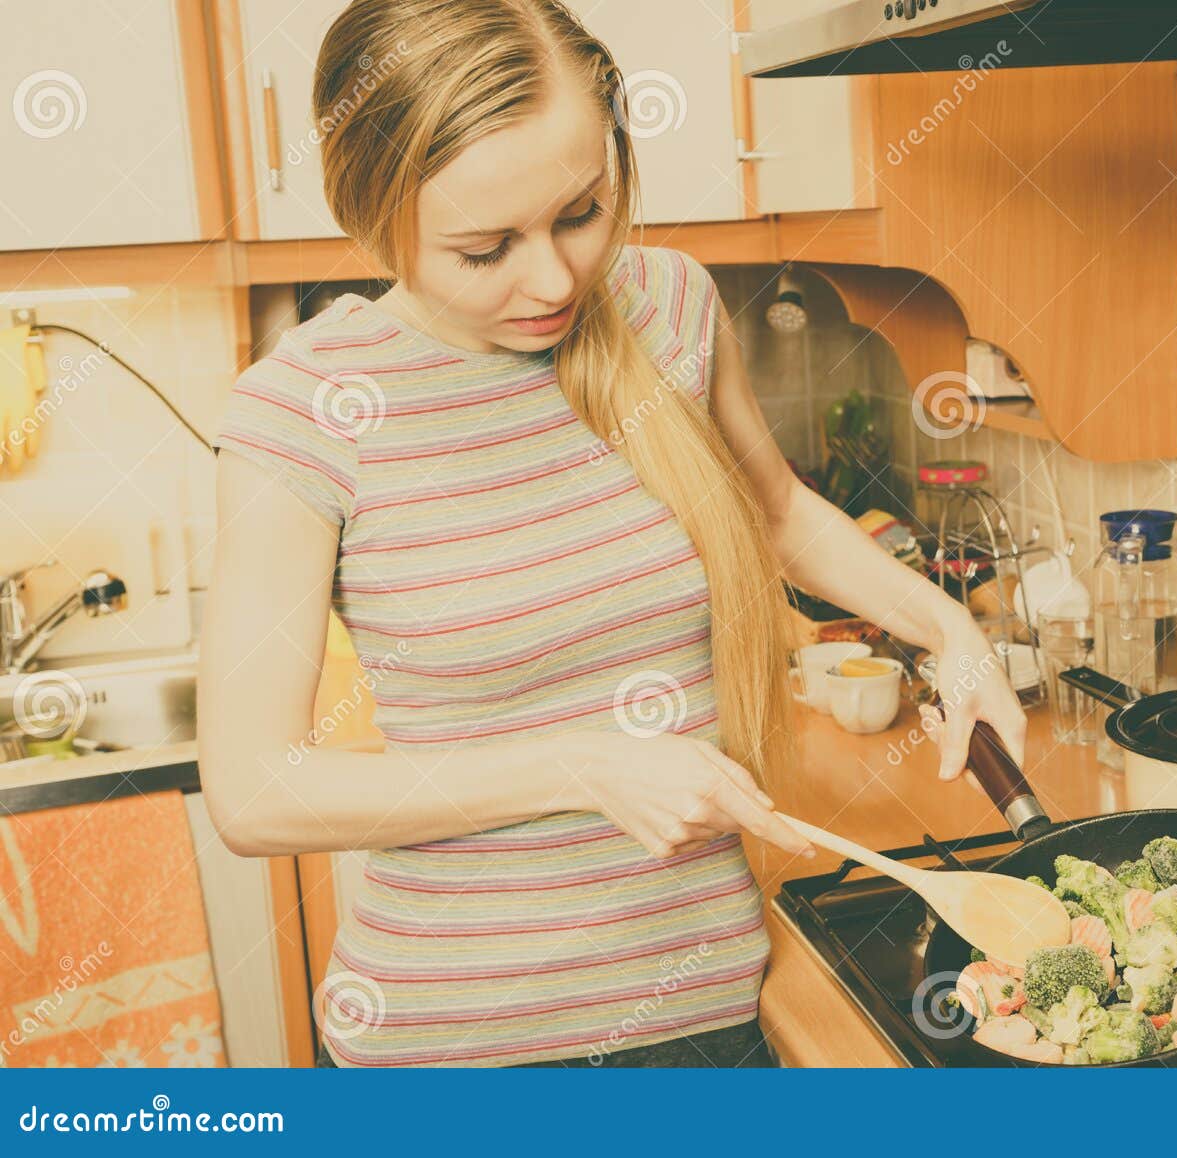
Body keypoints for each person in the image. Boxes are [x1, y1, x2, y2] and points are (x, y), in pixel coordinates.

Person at [197, 0, 1027, 1068]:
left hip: (711, 1011)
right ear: (373, 215)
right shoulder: (304, 411)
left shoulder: (671, 306)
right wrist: (584, 767)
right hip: (461, 1056)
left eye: (580, 214)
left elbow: (773, 516)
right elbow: (254, 790)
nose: (552, 282)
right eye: (484, 247)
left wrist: (945, 631)